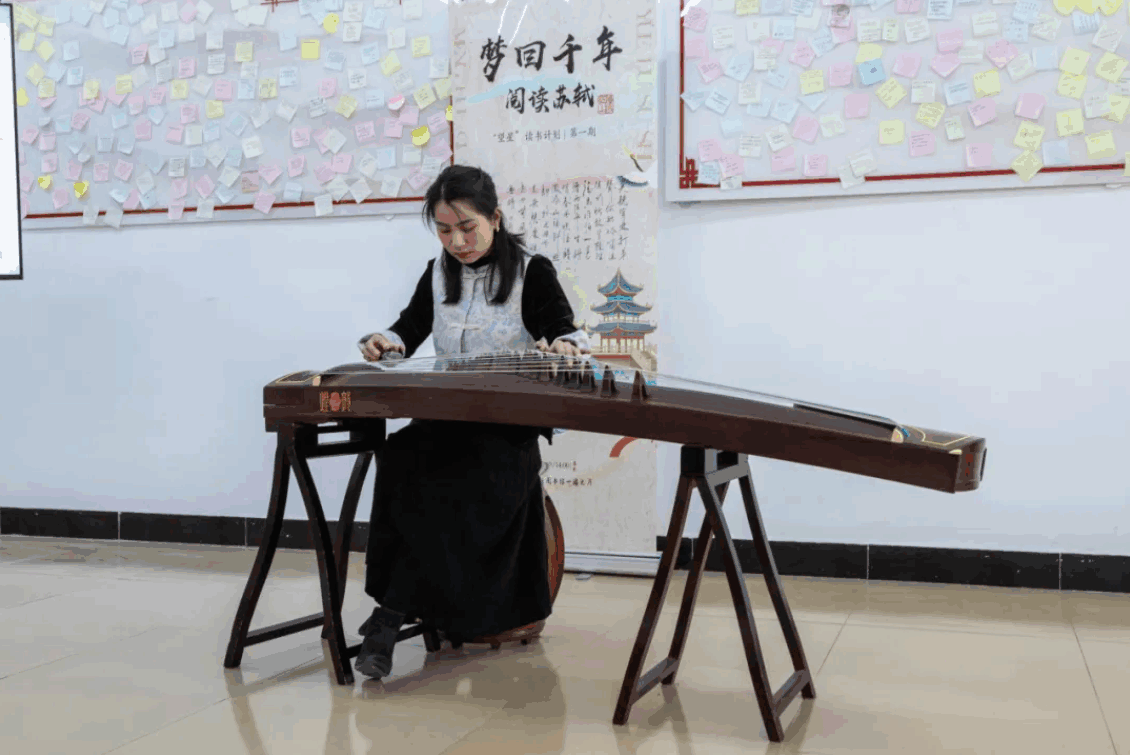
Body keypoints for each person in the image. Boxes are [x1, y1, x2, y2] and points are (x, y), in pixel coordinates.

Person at [353, 164, 590, 680]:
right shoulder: (437, 273)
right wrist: (385, 341)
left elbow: (563, 329)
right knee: (400, 456)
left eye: (467, 228)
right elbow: (409, 328)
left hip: (506, 428)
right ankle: (394, 610)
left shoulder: (531, 271)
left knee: (452, 476)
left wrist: (565, 345)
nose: (456, 242)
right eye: (444, 230)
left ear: (495, 218)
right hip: (446, 419)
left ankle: (389, 615)